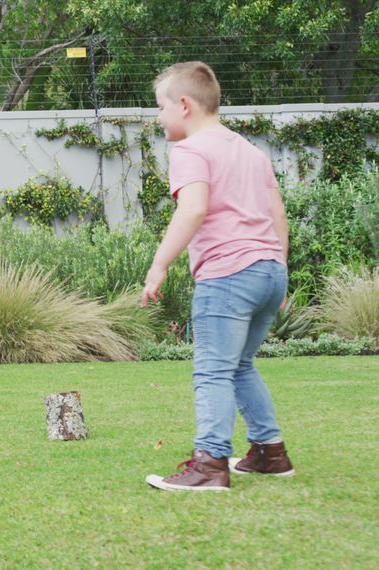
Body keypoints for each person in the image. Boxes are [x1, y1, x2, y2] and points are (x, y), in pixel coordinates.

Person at [141, 62, 295, 492]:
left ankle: (210, 465)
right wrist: (278, 266)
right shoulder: (250, 151)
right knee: (240, 365)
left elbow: (192, 209)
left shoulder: (190, 151)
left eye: (160, 107)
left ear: (185, 105)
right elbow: (277, 214)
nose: (158, 117)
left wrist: (160, 264)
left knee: (212, 370)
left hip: (228, 274)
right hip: (269, 271)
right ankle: (270, 454)